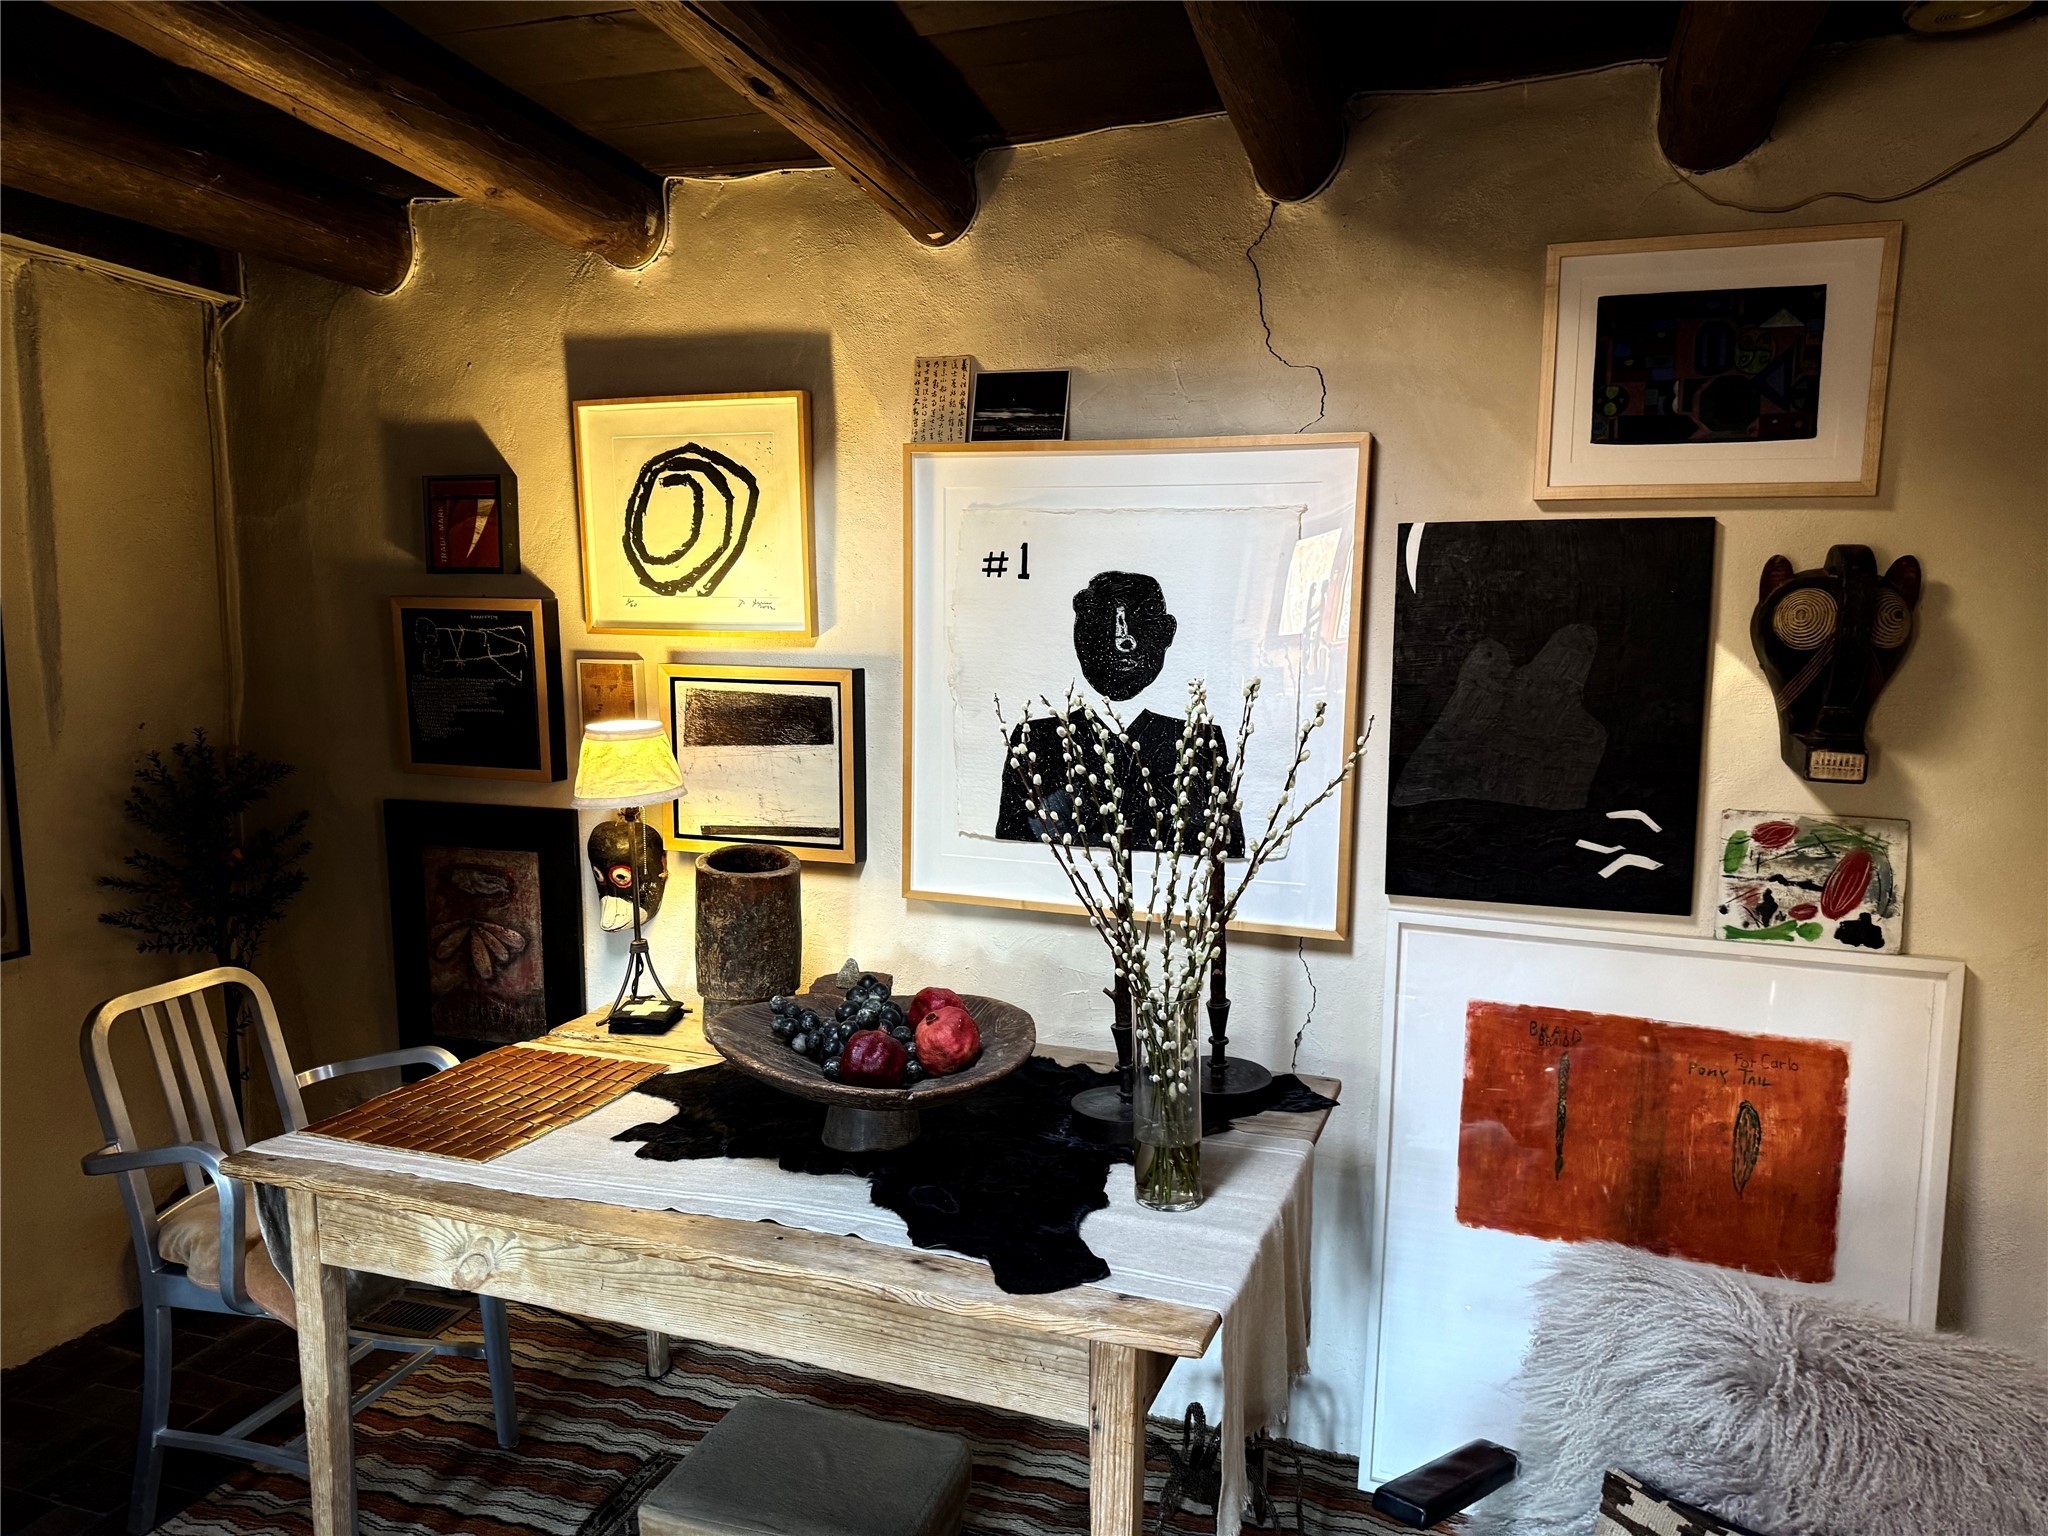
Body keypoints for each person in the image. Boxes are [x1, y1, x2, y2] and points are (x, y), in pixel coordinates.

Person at [996, 571, 1244, 856]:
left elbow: (1222, 850)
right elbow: (1016, 847)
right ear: (1079, 636)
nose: (1122, 640)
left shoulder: (1201, 743)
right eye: (1100, 623)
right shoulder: (1036, 740)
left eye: (1142, 622)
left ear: (1167, 632)